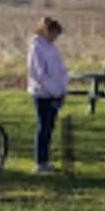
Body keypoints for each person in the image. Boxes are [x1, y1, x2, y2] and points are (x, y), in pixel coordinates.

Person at [26, 16, 68, 174]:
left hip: (56, 93)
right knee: (43, 127)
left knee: (50, 127)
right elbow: (39, 74)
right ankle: (39, 162)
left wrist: (63, 89)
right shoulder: (36, 47)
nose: (55, 38)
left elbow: (61, 69)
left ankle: (45, 160)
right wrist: (55, 91)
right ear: (46, 32)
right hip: (42, 93)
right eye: (54, 34)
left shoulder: (52, 47)